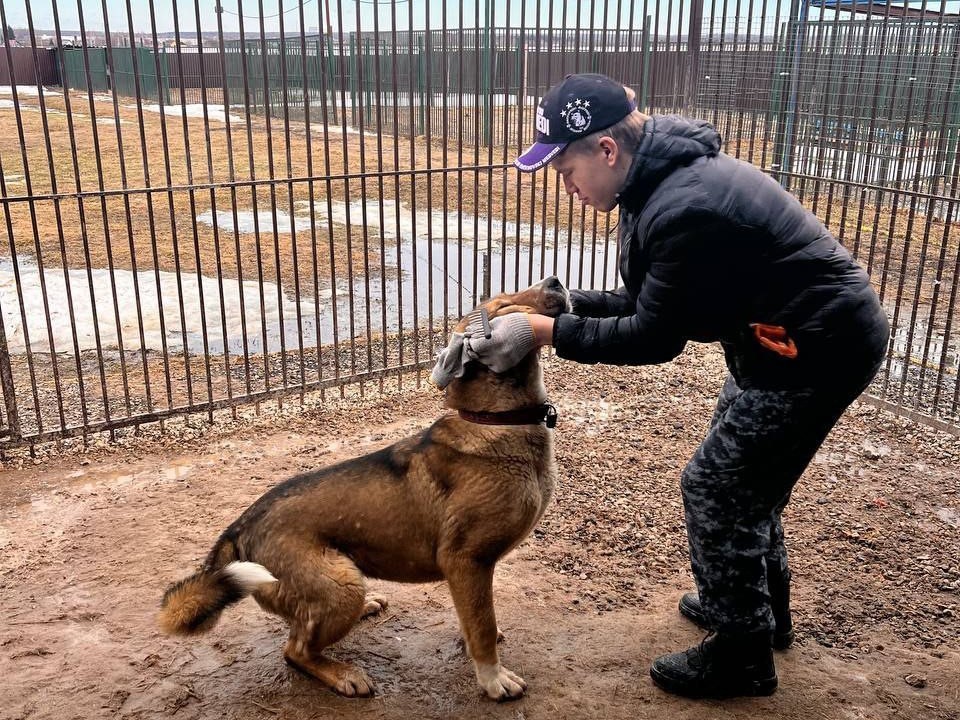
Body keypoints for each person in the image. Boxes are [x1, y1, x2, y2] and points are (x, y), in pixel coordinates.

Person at [450, 73, 890, 698]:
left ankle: (742, 654)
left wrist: (547, 330)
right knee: (746, 480)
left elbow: (655, 338)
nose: (566, 186)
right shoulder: (657, 181)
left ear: (606, 150)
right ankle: (757, 616)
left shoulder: (687, 205)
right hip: (776, 341)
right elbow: (654, 302)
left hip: (817, 349)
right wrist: (568, 305)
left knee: (719, 486)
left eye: (566, 169)